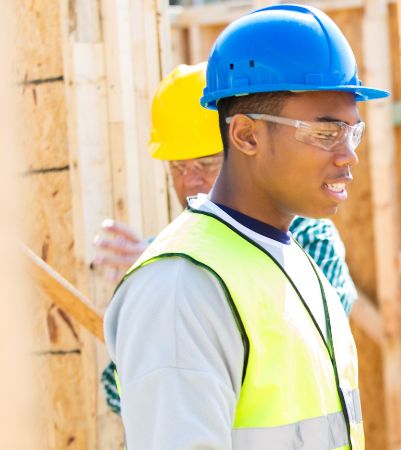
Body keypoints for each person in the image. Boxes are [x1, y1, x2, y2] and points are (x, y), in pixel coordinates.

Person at [103, 6, 401, 450]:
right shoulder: (183, 282)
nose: (347, 154)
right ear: (245, 135)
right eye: (323, 132)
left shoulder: (298, 267)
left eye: (352, 130)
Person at [93, 62, 356, 416]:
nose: (189, 183)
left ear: (245, 145)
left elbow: (307, 354)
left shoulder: (308, 235)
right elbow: (116, 389)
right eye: (178, 168)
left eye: (205, 164)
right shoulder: (169, 260)